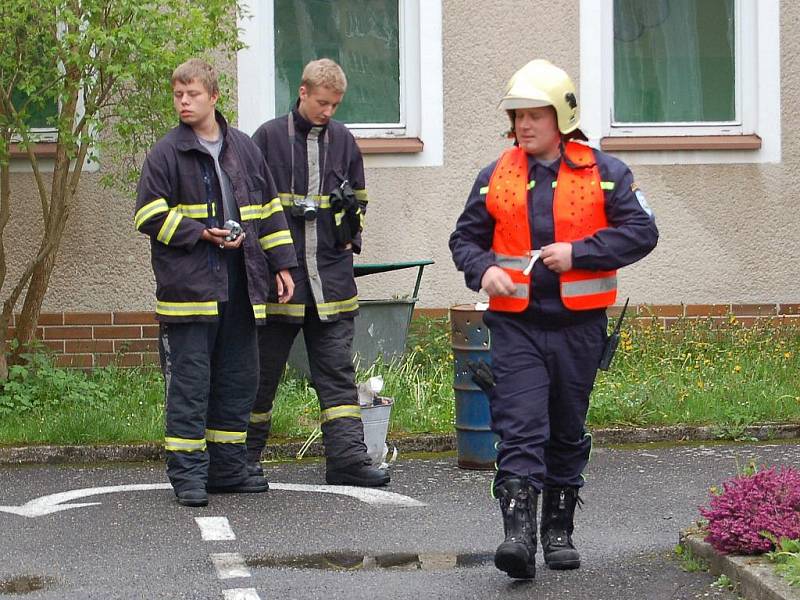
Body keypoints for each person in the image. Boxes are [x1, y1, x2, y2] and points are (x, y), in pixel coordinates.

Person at [449, 59, 658, 579]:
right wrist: (484, 271)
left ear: (561, 117)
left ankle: (558, 531)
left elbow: (642, 232)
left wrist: (580, 253)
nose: (523, 125)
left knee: (565, 427)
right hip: (516, 325)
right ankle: (517, 537)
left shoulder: (606, 174)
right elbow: (465, 240)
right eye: (517, 115)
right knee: (519, 426)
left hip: (579, 326)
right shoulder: (495, 175)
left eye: (534, 115)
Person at [134, 58, 297, 507]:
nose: (183, 102)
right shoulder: (167, 152)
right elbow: (147, 213)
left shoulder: (244, 149)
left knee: (236, 379)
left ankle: (227, 469)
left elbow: (268, 211)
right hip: (189, 291)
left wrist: (283, 266)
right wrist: (198, 232)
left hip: (241, 284)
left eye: (192, 95)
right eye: (178, 95)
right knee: (190, 384)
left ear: (214, 97)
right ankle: (187, 475)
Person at [247, 58, 389, 487]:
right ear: (303, 92)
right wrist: (268, 267)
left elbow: (359, 200)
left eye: (335, 105)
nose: (329, 112)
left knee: (337, 375)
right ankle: (243, 461)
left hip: (331, 280)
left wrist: (351, 238)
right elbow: (252, 209)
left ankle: (346, 461)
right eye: (322, 103)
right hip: (282, 282)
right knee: (261, 375)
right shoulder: (268, 138)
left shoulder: (344, 140)